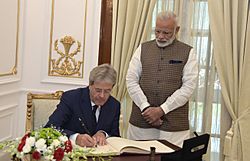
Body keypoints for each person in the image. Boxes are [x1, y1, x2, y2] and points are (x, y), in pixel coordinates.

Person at [126, 11, 198, 147]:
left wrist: (161, 110)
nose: (160, 36)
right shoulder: (142, 48)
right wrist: (146, 108)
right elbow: (131, 80)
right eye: (157, 31)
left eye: (166, 33)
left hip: (174, 125)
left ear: (177, 30)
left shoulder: (188, 52)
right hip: (141, 121)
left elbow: (188, 88)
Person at [46, 64, 120, 147]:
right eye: (98, 90)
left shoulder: (114, 105)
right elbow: (50, 127)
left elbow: (115, 135)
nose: (102, 96)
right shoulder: (71, 98)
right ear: (90, 85)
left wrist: (104, 134)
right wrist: (75, 137)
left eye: (107, 91)